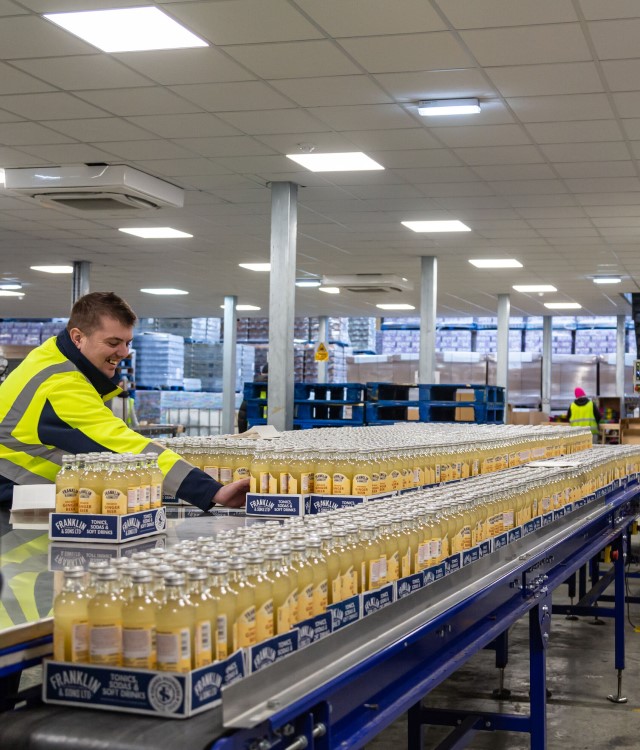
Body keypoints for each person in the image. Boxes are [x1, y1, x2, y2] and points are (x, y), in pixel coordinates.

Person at [0, 292, 248, 510]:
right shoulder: (62, 383)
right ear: (77, 338)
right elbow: (122, 446)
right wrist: (210, 490)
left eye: (127, 342)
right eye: (113, 343)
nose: (124, 352)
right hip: (11, 493)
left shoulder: (52, 355)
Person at [237, 362, 268, 434]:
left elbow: (242, 415)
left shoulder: (253, 387)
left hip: (255, 429)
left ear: (262, 373)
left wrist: (242, 434)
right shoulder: (283, 389)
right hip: (276, 428)